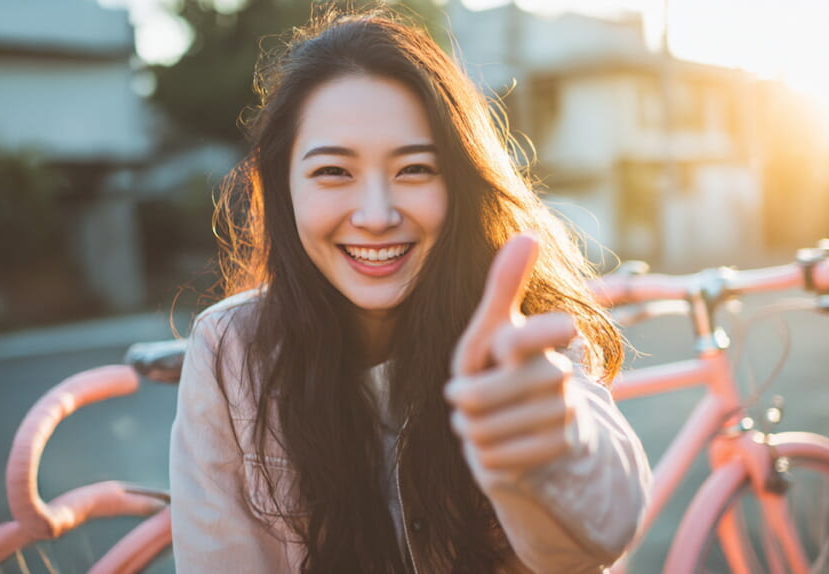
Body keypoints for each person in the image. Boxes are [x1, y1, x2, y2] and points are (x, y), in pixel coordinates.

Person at [169, 6, 651, 573]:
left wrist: (551, 452)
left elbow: (600, 537)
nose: (376, 215)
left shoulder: (518, 332)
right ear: (284, 188)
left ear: (461, 185)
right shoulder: (229, 350)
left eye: (415, 169)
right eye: (333, 172)